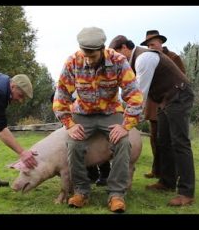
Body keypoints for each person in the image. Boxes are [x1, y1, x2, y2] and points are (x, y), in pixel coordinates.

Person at [53, 27, 143, 213]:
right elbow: (61, 94)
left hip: (110, 111)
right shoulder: (72, 62)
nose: (88, 60)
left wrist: (126, 126)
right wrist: (69, 125)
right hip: (83, 113)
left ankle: (116, 194)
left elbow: (134, 95)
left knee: (123, 143)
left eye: (92, 56)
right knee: (73, 143)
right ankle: (81, 192)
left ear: (102, 49)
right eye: (85, 54)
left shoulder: (119, 61)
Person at [109, 35, 195, 206]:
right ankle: (167, 182)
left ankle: (187, 193)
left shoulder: (144, 59)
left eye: (115, 54)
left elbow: (139, 95)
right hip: (165, 100)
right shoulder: (133, 62)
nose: (115, 59)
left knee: (180, 143)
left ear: (124, 48)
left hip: (179, 95)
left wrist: (126, 123)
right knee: (163, 141)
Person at [140, 30, 186, 179]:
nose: (150, 47)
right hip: (153, 103)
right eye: (148, 45)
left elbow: (181, 77)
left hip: (171, 100)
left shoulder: (173, 57)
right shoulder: (147, 58)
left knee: (171, 139)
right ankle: (156, 169)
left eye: (153, 43)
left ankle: (174, 172)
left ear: (161, 42)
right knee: (155, 139)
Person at [50, 91, 111, 186]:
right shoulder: (61, 110)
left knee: (98, 151)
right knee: (80, 149)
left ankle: (104, 175)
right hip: (76, 130)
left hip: (93, 127)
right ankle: (92, 175)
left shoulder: (78, 103)